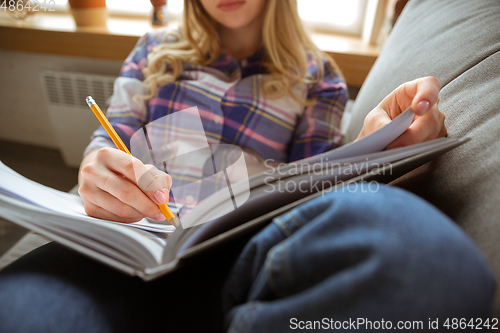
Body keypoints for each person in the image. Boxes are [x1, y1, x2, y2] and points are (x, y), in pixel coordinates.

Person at [0, 0, 494, 332]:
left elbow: (314, 184)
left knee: (423, 261)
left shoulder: (318, 76)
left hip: (242, 248)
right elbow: (105, 140)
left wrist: (374, 146)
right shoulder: (153, 50)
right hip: (125, 246)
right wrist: (94, 168)